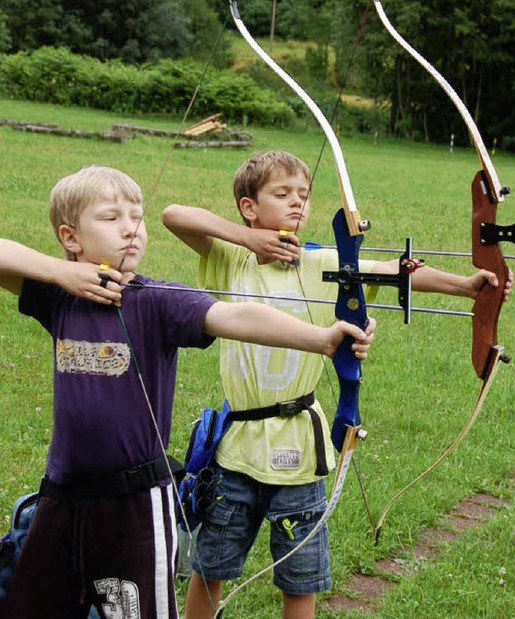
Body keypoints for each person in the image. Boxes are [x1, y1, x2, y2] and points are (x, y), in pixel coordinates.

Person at [0, 164, 374, 619]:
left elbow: (238, 317)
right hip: (61, 494)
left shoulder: (157, 301)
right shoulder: (56, 296)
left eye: (136, 216)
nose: (131, 228)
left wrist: (321, 338)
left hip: (136, 505)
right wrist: (62, 272)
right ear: (70, 236)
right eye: (111, 217)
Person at [162, 149, 514, 619]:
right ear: (249, 206)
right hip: (237, 449)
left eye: (304, 196)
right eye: (282, 194)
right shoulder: (232, 259)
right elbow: (174, 216)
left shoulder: (323, 262)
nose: (297, 205)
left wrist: (468, 286)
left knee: (300, 577)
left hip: (301, 454)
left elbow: (391, 270)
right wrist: (249, 239)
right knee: (212, 566)